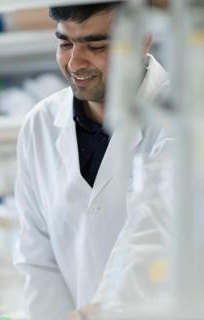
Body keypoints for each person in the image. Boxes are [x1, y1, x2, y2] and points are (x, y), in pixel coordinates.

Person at [13, 2, 172, 319]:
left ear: (143, 40)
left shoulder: (184, 116)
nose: (74, 62)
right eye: (64, 43)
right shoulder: (40, 124)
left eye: (96, 45)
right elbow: (37, 256)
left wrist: (107, 308)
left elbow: (153, 232)